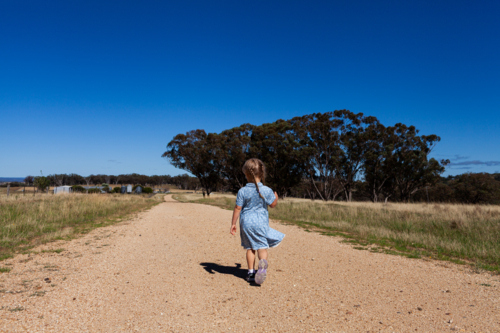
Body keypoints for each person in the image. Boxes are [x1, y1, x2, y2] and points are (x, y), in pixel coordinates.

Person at [230, 158, 285, 284]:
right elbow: (272, 205)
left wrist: (233, 224)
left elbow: (238, 208)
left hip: (246, 224)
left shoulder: (242, 191)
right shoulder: (266, 190)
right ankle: (262, 270)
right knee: (261, 247)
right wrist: (275, 198)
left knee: (250, 248)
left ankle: (250, 272)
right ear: (262, 173)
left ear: (246, 174)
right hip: (261, 224)